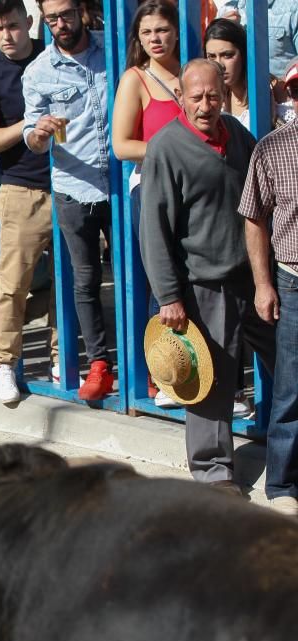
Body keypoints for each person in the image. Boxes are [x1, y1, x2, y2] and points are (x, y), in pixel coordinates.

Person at [139, 58, 275, 495]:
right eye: (195, 97)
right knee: (211, 380)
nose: (205, 105)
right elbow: (154, 229)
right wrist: (169, 296)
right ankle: (214, 471)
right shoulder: (166, 147)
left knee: (285, 359)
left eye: (213, 96)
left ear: (224, 94)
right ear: (180, 97)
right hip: (203, 282)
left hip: (252, 276)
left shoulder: (236, 133)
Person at [23, 0, 114, 401]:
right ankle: (98, 363)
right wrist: (38, 134)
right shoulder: (39, 71)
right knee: (85, 279)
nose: (61, 24)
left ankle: (147, 363)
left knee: (140, 275)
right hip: (74, 188)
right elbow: (31, 134)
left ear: (81, 11)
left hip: (122, 184)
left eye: (66, 15)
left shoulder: (111, 49)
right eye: (52, 19)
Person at [0, 0, 54, 403]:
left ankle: (60, 357)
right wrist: (26, 124)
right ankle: (4, 362)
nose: (6, 36)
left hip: (71, 185)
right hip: (21, 188)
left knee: (75, 280)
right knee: (12, 281)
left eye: (13, 27)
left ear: (29, 22)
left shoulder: (53, 56)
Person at [111, 0, 182, 406]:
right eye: (147, 32)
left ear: (175, 32)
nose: (156, 39)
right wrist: (173, 149)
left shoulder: (191, 75)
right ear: (138, 38)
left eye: (162, 30)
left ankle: (192, 369)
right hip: (153, 191)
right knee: (163, 282)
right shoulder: (135, 79)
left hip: (196, 194)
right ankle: (164, 375)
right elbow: (122, 146)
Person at [239, 56, 298, 515]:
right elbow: (254, 220)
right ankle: (282, 486)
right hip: (293, 280)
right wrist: (263, 283)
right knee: (291, 390)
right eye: (296, 91)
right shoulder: (273, 148)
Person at [204, 18, 292, 133]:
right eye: (211, 56)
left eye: (227, 55)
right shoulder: (209, 97)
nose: (220, 65)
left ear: (244, 55)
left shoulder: (276, 90)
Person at [218, 0, 297, 79]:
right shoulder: (226, 10)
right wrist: (223, 31)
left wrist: (279, 86)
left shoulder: (293, 8)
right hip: (235, 90)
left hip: (281, 89)